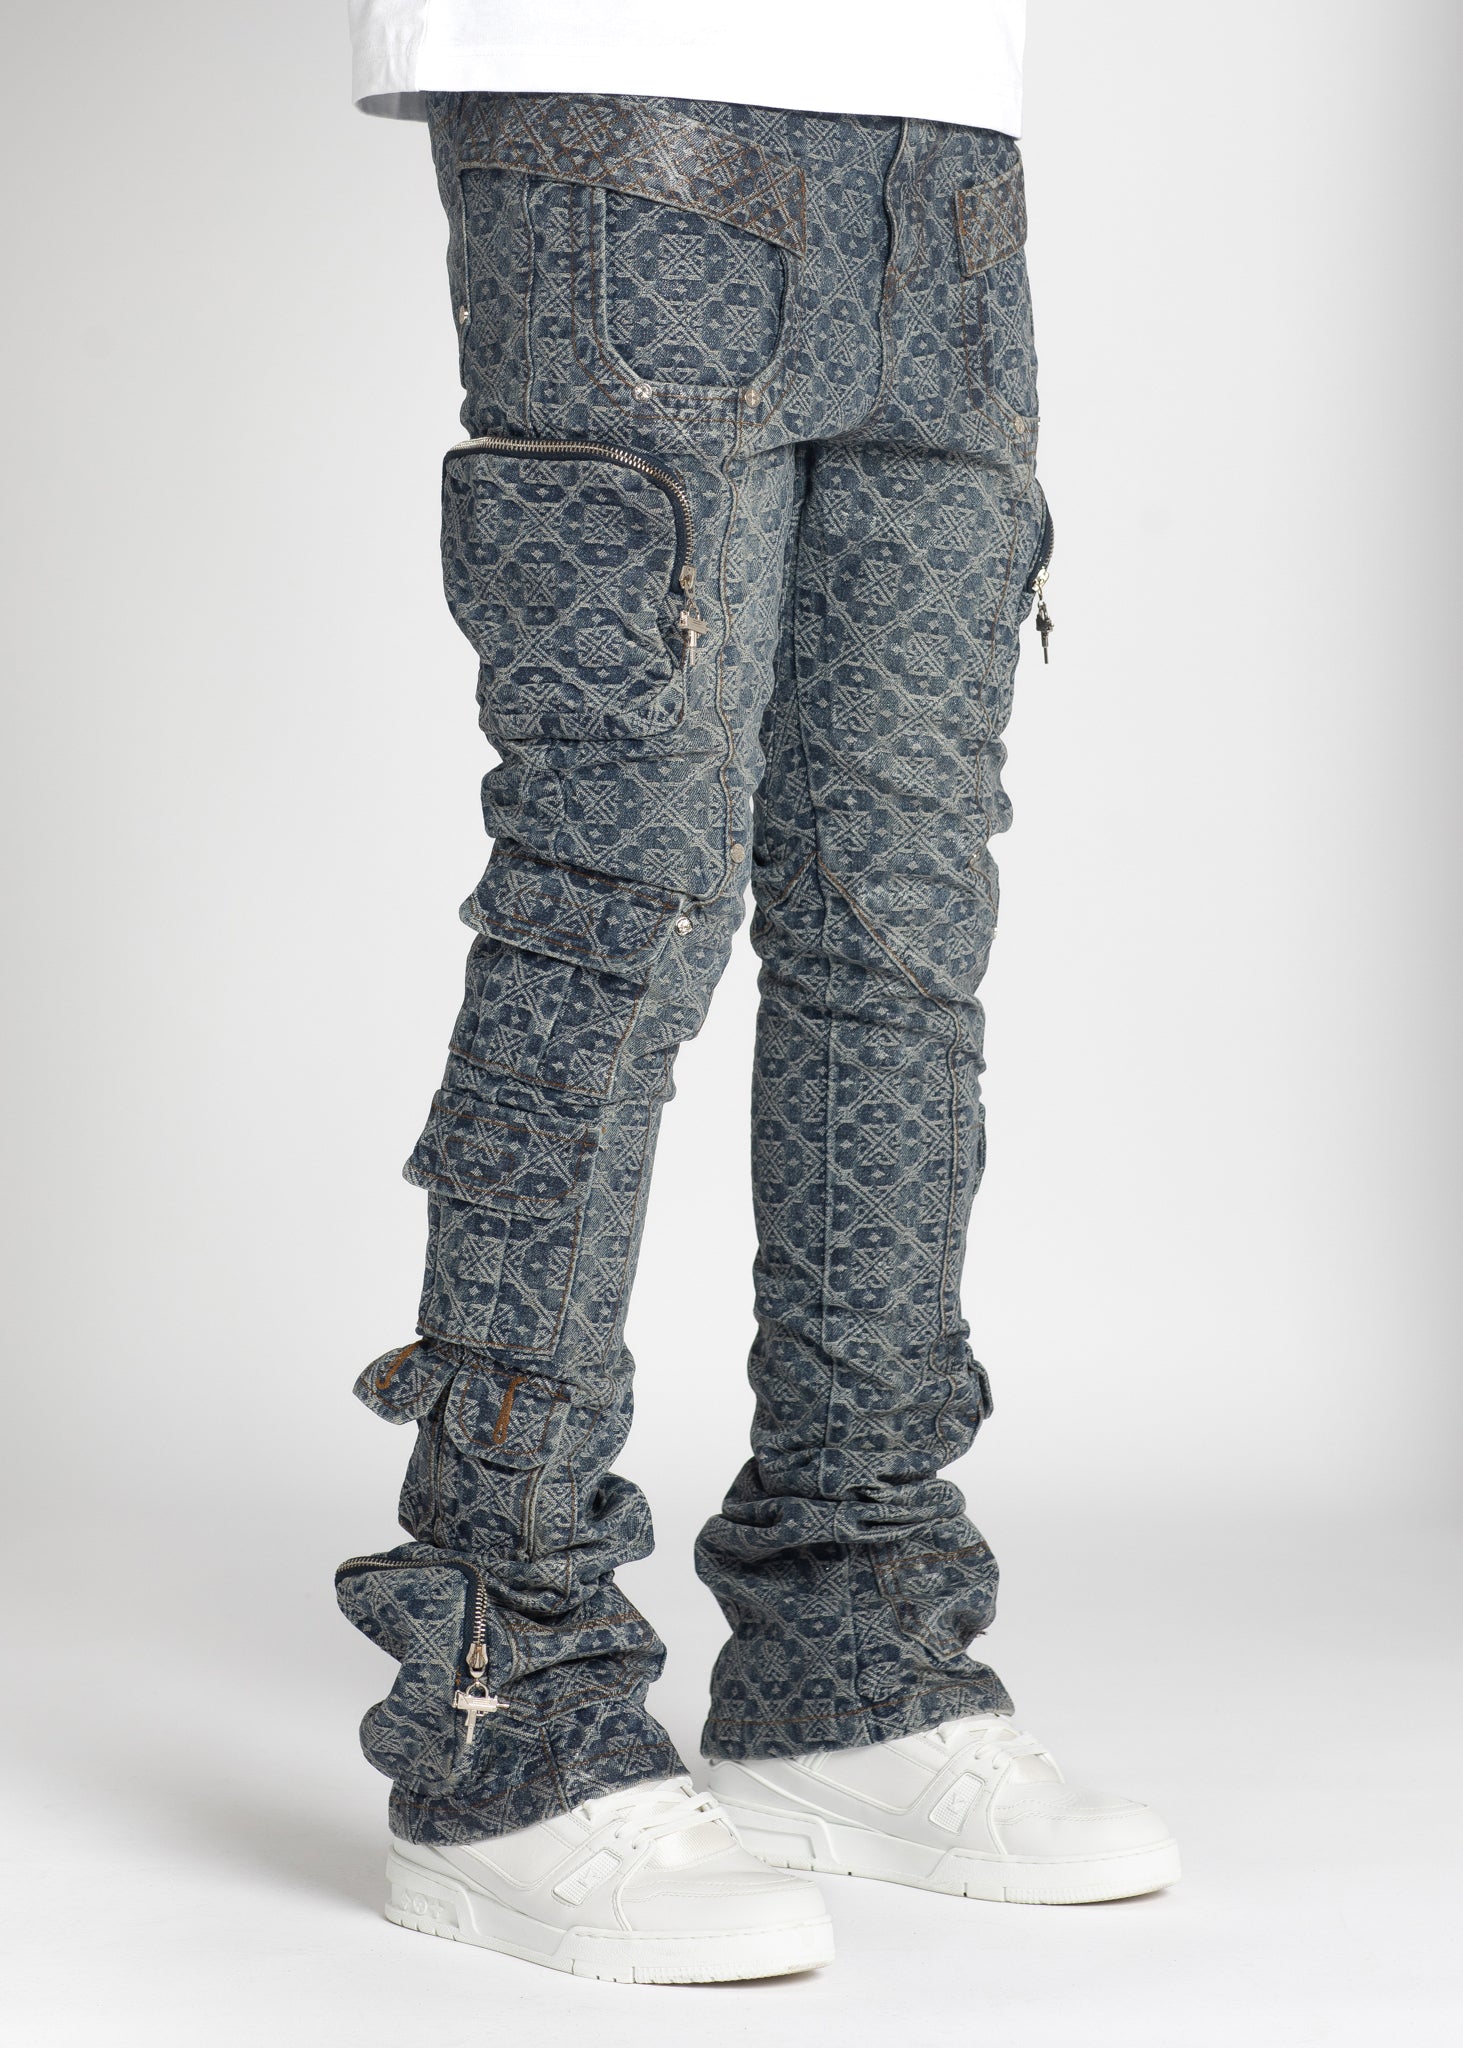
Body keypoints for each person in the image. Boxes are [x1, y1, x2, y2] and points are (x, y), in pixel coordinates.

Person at [336, 0, 1179, 1983]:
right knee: (617, 903)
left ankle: (851, 1661)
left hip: (944, 131)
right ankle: (505, 1712)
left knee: (900, 927)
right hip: (622, 94)